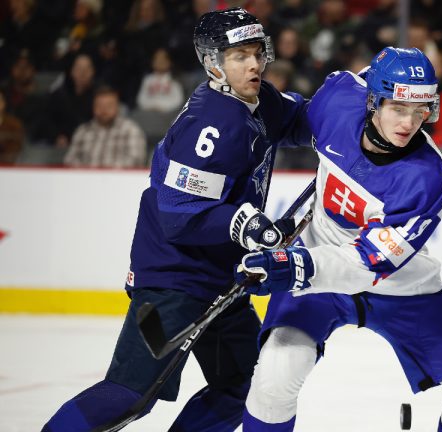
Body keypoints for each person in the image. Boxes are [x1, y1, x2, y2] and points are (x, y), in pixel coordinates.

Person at [43, 8, 311, 431]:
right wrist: (244, 224)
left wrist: (356, 120)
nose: (254, 64)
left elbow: (299, 122)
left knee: (246, 384)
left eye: (257, 52)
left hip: (222, 275)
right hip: (176, 277)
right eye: (240, 55)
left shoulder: (256, 101)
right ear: (213, 63)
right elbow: (179, 215)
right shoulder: (211, 124)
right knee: (132, 393)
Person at [234, 47, 442, 431]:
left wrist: (297, 266)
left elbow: (367, 264)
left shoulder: (427, 181)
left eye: (420, 110)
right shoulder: (337, 100)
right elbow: (291, 122)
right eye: (398, 107)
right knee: (275, 374)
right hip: (317, 262)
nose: (409, 123)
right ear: (372, 101)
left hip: (397, 286)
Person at [63, 86, 147, 168]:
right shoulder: (83, 131)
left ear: (117, 107)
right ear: (93, 107)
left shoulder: (131, 130)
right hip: (84, 179)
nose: (104, 110)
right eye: (99, 105)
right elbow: (69, 159)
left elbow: (136, 160)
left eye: (109, 105)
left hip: (119, 180)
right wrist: (88, 172)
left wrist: (105, 174)